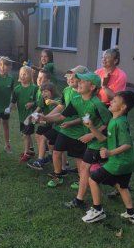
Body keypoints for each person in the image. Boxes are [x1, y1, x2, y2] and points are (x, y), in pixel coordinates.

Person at [36, 72, 111, 209]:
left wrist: (92, 135)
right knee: (85, 168)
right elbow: (62, 116)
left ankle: (93, 203)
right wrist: (45, 118)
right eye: (79, 81)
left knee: (88, 169)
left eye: (83, 82)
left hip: (100, 141)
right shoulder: (76, 100)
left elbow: (108, 123)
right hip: (91, 140)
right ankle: (81, 199)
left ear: (92, 87)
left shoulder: (97, 104)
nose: (79, 83)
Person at [81, 91, 134, 224]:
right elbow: (104, 139)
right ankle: (131, 214)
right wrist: (92, 127)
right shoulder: (115, 120)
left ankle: (98, 210)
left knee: (93, 179)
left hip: (119, 162)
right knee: (122, 186)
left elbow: (127, 145)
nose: (111, 102)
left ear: (123, 107)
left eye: (114, 101)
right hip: (128, 162)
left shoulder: (120, 123)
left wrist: (109, 153)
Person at [45, 65, 89, 188]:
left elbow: (85, 117)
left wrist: (70, 123)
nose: (70, 79)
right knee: (56, 152)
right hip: (65, 130)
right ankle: (58, 176)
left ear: (82, 79)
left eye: (73, 77)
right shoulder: (66, 90)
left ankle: (81, 180)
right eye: (69, 76)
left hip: (79, 132)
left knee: (78, 157)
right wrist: (46, 117)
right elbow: (61, 107)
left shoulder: (84, 94)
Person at [27, 82, 60, 170]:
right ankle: (44, 155)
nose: (43, 94)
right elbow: (38, 109)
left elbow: (59, 109)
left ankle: (41, 160)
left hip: (56, 124)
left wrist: (41, 120)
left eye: (46, 91)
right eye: (42, 92)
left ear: (52, 91)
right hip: (47, 121)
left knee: (44, 139)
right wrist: (32, 117)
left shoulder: (58, 100)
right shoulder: (43, 99)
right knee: (38, 134)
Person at [7, 65, 37, 163]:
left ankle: (26, 153)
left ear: (30, 75)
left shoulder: (34, 88)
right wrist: (9, 108)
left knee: (26, 135)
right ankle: (30, 150)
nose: (23, 76)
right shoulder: (17, 89)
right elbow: (13, 101)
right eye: (21, 74)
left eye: (25, 74)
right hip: (21, 117)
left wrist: (32, 103)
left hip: (30, 117)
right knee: (26, 134)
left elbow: (39, 102)